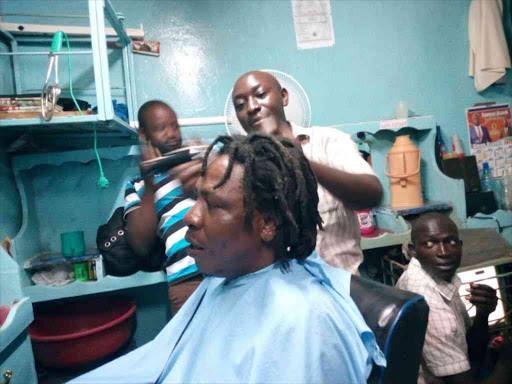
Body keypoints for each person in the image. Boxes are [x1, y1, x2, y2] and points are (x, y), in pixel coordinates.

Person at [69, 133, 385, 384]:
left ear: (268, 224)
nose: (191, 218)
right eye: (197, 199)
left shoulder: (305, 325)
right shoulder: (221, 280)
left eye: (215, 205)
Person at [230, 70, 383, 274]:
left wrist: (303, 162)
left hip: (340, 289)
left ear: (284, 96)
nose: (251, 107)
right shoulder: (238, 166)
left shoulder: (328, 142)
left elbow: (371, 195)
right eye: (240, 105)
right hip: (278, 293)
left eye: (260, 95)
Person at [396, 212, 512, 384]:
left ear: (460, 245)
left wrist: (483, 313)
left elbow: (472, 354)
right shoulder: (428, 302)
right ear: (413, 251)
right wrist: (507, 360)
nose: (443, 252)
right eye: (429, 244)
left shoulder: (434, 275)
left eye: (450, 242)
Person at [124, 100, 203, 315]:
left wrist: (207, 167)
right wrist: (150, 183)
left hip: (227, 267)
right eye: (161, 128)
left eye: (175, 126)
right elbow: (140, 245)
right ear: (143, 134)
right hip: (187, 279)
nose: (172, 134)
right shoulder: (137, 187)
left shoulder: (197, 165)